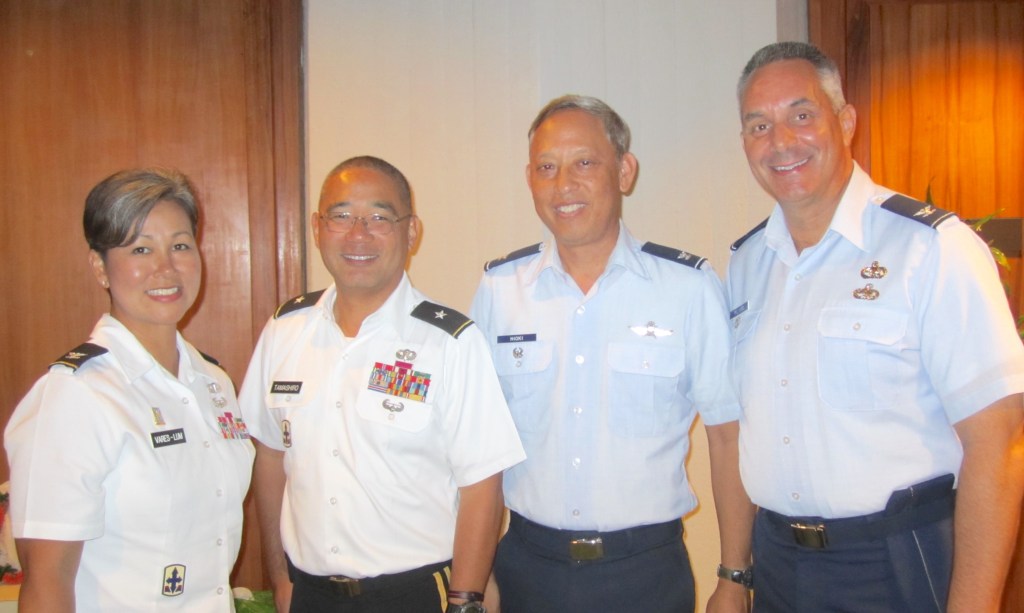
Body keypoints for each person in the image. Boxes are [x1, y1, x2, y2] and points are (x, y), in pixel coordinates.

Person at [727, 41, 1024, 612]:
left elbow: (999, 441)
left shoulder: (931, 248)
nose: (781, 141)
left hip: (896, 559)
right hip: (779, 562)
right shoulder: (746, 263)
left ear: (845, 122)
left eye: (801, 115)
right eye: (759, 125)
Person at [470, 95, 754, 612]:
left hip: (645, 574)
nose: (564, 184)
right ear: (529, 179)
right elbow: (480, 447)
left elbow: (727, 435)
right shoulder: (500, 290)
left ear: (624, 171)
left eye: (584, 163)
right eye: (546, 167)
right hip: (527, 569)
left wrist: (735, 577)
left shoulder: (687, 289)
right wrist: (478, 573)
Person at [239, 155, 525, 613]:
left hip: (415, 594)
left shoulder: (449, 342)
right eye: (341, 216)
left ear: (411, 232)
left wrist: (466, 601)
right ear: (316, 228)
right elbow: (271, 457)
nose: (358, 234)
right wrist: (280, 578)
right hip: (310, 594)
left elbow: (482, 485)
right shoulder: (284, 331)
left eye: (379, 217)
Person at [5, 168, 255, 611]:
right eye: (141, 248)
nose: (166, 267)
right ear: (100, 267)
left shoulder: (212, 382)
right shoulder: (76, 394)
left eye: (180, 245)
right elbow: (47, 583)